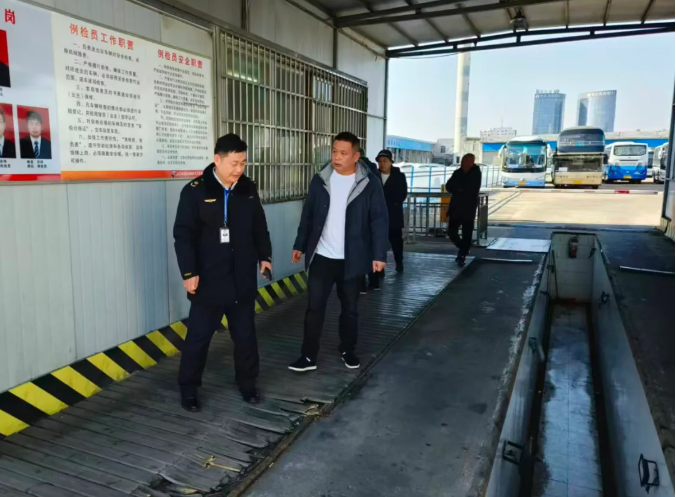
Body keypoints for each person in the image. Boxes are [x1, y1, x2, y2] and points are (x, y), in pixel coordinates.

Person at [173, 134, 272, 412]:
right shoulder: (194, 191)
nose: (239, 169)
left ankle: (248, 384)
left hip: (241, 278)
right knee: (198, 338)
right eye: (234, 163)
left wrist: (265, 257)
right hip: (208, 280)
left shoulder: (247, 189)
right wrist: (188, 272)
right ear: (217, 160)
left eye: (243, 163)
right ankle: (188, 389)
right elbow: (183, 236)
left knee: (245, 336)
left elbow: (259, 226)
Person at [289, 132, 388, 372]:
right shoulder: (321, 180)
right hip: (322, 256)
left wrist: (379, 255)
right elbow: (308, 214)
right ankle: (308, 356)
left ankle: (347, 349)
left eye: (343, 153)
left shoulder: (369, 183)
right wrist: (300, 244)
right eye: (334, 151)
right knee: (314, 309)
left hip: (352, 259)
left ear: (356, 156)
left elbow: (379, 220)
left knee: (350, 309)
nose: (337, 157)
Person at [445, 153, 482, 267]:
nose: (467, 163)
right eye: (465, 160)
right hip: (455, 208)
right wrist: (459, 189)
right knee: (451, 232)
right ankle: (464, 248)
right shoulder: (457, 173)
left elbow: (472, 189)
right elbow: (448, 186)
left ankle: (462, 255)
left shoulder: (476, 173)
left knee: (467, 233)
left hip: (468, 208)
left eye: (470, 161)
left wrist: (459, 188)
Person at [376, 149, 408, 272]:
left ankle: (399, 262)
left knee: (396, 241)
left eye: (385, 161)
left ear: (391, 162)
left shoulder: (399, 176)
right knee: (379, 242)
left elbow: (403, 193)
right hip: (378, 215)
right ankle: (379, 267)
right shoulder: (374, 176)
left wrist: (394, 202)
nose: (382, 164)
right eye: (380, 161)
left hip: (394, 215)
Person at [358, 148, 384, 293]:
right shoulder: (374, 170)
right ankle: (374, 282)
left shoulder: (355, 170)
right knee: (371, 249)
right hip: (371, 216)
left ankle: (361, 284)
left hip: (359, 217)